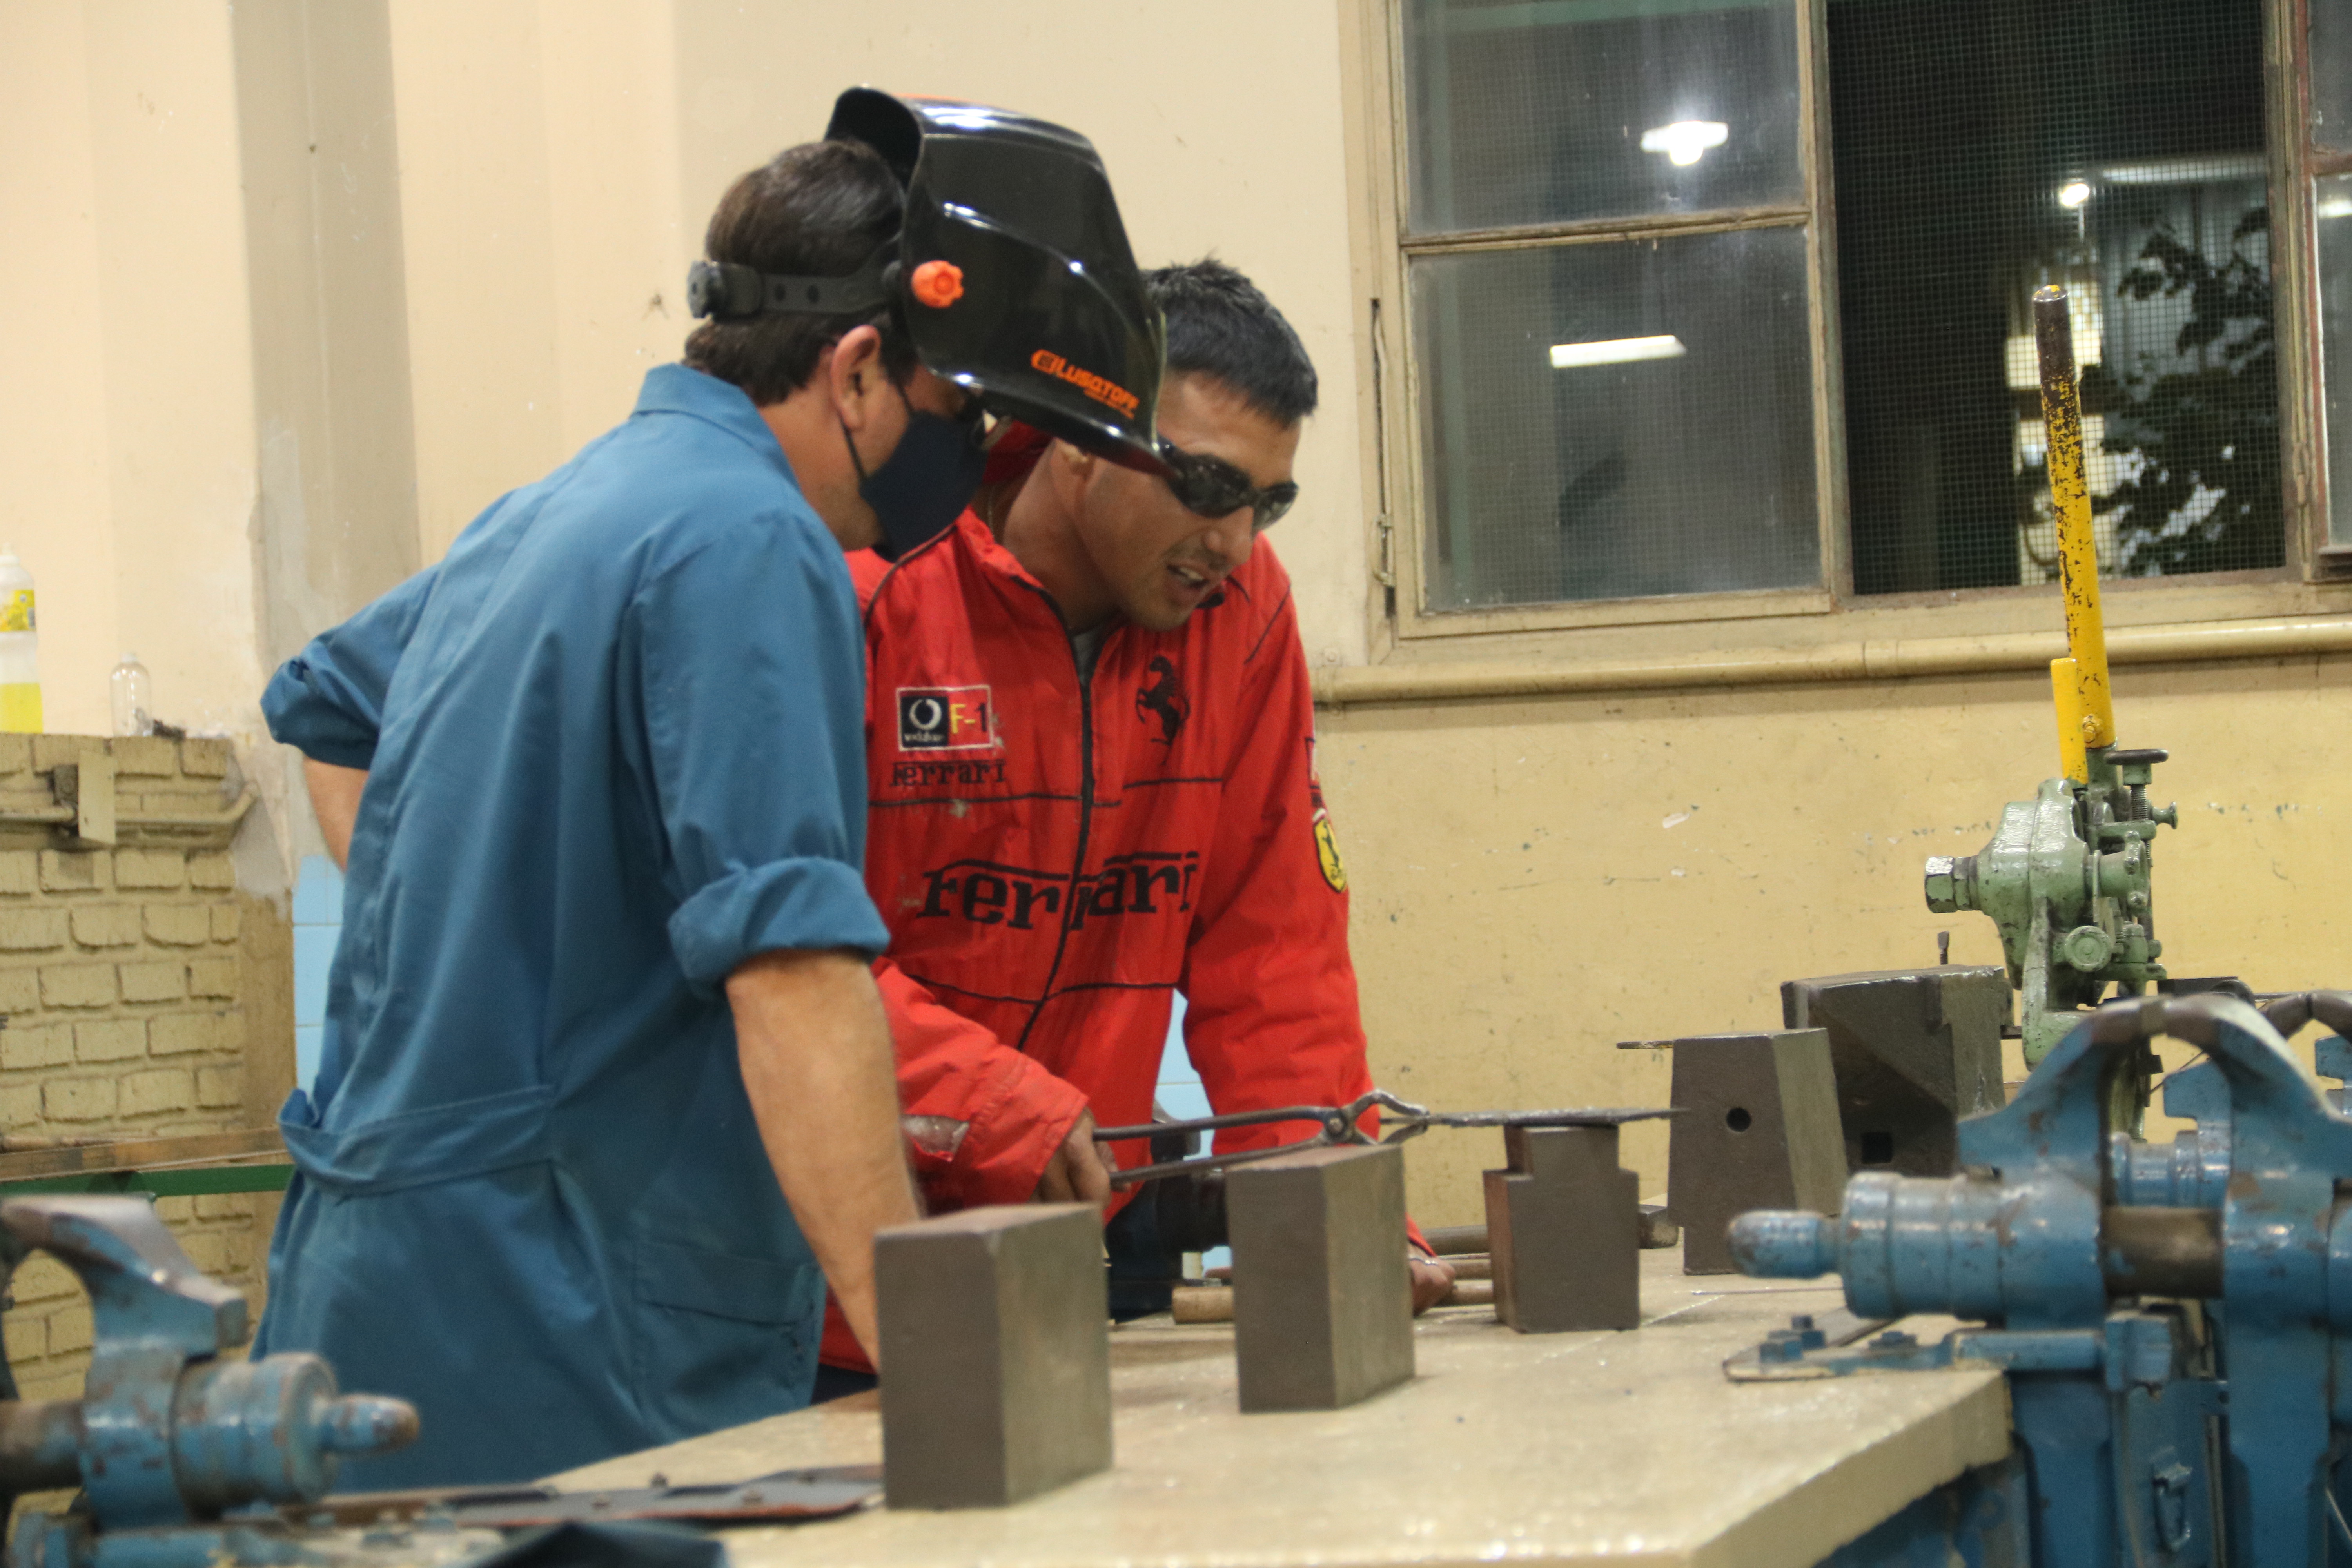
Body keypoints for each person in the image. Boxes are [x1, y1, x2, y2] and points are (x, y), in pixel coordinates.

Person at [252, 89, 1167, 1487]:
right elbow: (796, 977)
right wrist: (944, 1379)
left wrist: (448, 925)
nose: (973, 460)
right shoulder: (751, 540)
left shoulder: (557, 510)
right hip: (562, 1332)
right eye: (963, 413)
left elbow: (329, 711)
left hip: (372, 1299)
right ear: (856, 369)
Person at [816, 260, 1450, 1389]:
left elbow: (1274, 957)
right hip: (816, 1282)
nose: (1235, 541)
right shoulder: (870, 585)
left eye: (1267, 503)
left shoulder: (1243, 616)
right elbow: (787, 960)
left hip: (1050, 1265)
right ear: (1078, 434)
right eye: (1206, 484)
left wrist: (1331, 1208)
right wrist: (992, 1103)